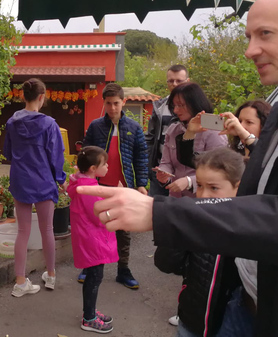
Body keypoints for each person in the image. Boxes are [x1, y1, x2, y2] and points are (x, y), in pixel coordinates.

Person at [78, 0, 278, 337]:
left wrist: (158, 212)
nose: (250, 50)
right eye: (248, 36)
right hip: (244, 306)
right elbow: (250, 203)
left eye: (265, 34)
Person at [155, 147, 245, 337]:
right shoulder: (195, 220)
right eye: (200, 186)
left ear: (237, 186)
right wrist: (179, 229)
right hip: (191, 321)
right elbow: (166, 264)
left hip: (228, 326)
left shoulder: (248, 229)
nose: (203, 195)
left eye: (213, 188)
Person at [78, 82, 148, 289]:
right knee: (94, 228)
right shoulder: (95, 126)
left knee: (123, 230)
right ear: (104, 103)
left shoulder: (134, 128)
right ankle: (90, 266)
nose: (112, 108)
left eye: (116, 103)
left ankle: (123, 270)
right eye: (108, 103)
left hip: (122, 186)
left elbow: (141, 157)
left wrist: (141, 184)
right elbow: (85, 153)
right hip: (97, 186)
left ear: (123, 102)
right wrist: (81, 176)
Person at [3, 78, 67, 297]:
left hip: (21, 181)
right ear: (42, 97)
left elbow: (8, 153)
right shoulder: (49, 124)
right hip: (43, 182)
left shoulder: (12, 122)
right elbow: (56, 156)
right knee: (47, 230)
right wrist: (61, 179)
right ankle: (51, 275)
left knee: (22, 231)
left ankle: (20, 282)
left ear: (23, 96)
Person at [69, 146, 118, 334]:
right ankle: (88, 318)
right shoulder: (89, 189)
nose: (106, 167)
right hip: (92, 239)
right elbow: (99, 215)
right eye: (104, 164)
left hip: (88, 237)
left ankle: (90, 311)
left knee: (93, 276)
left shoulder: (82, 183)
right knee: (94, 277)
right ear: (92, 168)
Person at [154, 83, 228, 198]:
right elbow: (166, 162)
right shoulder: (173, 129)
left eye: (181, 105)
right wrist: (163, 174)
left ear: (194, 103)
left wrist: (190, 181)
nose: (176, 110)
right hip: (176, 197)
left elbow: (219, 169)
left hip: (202, 199)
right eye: (174, 106)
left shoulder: (213, 129)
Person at [146, 65, 189, 196]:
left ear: (187, 81)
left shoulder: (193, 107)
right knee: (155, 210)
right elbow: (150, 138)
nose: (174, 84)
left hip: (184, 173)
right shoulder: (160, 106)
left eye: (179, 81)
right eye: (171, 81)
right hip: (160, 170)